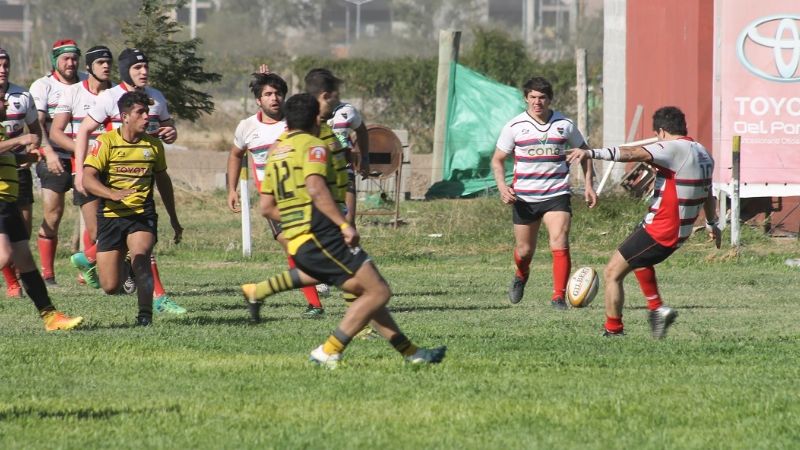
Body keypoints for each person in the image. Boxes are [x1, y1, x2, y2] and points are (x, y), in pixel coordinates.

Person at [241, 93, 445, 367]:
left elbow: (266, 207)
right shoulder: (314, 145)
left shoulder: (276, 153)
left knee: (367, 294)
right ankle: (328, 351)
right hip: (323, 235)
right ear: (317, 118)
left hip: (299, 240)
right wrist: (341, 224)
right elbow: (315, 187)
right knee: (379, 292)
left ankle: (412, 354)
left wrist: (297, 221)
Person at [566, 106, 720, 338]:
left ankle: (614, 329)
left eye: (658, 136)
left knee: (612, 273)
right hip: (675, 229)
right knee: (638, 260)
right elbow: (709, 193)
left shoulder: (673, 148)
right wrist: (712, 222)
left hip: (662, 230)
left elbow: (632, 153)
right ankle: (657, 309)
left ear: (662, 131)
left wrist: (591, 153)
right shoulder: (703, 152)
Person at [72, 48, 185, 315]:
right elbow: (85, 130)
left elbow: (168, 128)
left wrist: (170, 132)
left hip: (141, 182)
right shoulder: (109, 97)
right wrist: (80, 171)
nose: (143, 72)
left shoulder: (156, 97)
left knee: (142, 252)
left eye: (146, 66)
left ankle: (153, 303)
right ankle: (92, 258)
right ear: (125, 71)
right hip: (108, 178)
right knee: (111, 282)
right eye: (137, 68)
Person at [226, 70, 326, 319]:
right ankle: (315, 303)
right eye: (268, 94)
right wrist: (232, 188)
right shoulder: (247, 127)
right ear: (258, 100)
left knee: (307, 248)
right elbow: (236, 155)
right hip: (273, 200)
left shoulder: (296, 122)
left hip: (305, 197)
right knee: (293, 247)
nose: (274, 98)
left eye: (278, 93)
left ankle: (318, 285)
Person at [491, 76, 597, 308]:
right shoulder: (514, 126)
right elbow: (497, 160)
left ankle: (558, 297)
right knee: (524, 250)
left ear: (549, 99)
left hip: (556, 194)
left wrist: (589, 185)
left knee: (559, 241)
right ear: (526, 99)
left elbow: (585, 153)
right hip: (525, 198)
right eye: (533, 97)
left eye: (542, 97)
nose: (537, 102)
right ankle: (521, 275)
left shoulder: (564, 124)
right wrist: (502, 186)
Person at [0, 89, 83, 330]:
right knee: (4, 256)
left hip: (8, 201)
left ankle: (50, 316)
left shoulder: (2, 129)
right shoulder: (9, 136)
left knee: (25, 260)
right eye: (0, 99)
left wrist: (26, 158)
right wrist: (20, 140)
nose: (5, 102)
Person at [49, 45, 114, 289]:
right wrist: (86, 151)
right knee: (98, 231)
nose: (106, 66)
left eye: (109, 62)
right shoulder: (73, 93)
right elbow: (56, 132)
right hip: (85, 170)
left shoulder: (117, 93)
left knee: (124, 223)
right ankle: (88, 262)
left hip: (116, 169)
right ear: (89, 67)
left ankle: (93, 263)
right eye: (100, 62)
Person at [304, 68, 370, 301]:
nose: (338, 97)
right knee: (323, 227)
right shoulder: (307, 115)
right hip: (319, 178)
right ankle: (324, 275)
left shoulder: (348, 111)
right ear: (324, 94)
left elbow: (361, 131)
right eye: (334, 93)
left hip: (345, 175)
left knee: (348, 222)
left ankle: (351, 273)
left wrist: (364, 155)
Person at [28, 39, 87, 285]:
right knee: (53, 213)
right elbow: (37, 124)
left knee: (91, 213)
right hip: (55, 157)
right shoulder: (43, 86)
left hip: (84, 158)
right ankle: (48, 274)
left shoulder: (87, 81)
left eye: (74, 58)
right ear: (55, 61)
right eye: (65, 58)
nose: (71, 63)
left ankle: (88, 272)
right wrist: (49, 153)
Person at [0, 47, 45, 298]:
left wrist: (32, 149)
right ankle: (12, 282)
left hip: (17, 167)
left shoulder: (22, 95)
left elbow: (35, 130)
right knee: (5, 243)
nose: (3, 69)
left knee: (22, 231)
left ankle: (48, 313)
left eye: (6, 64)